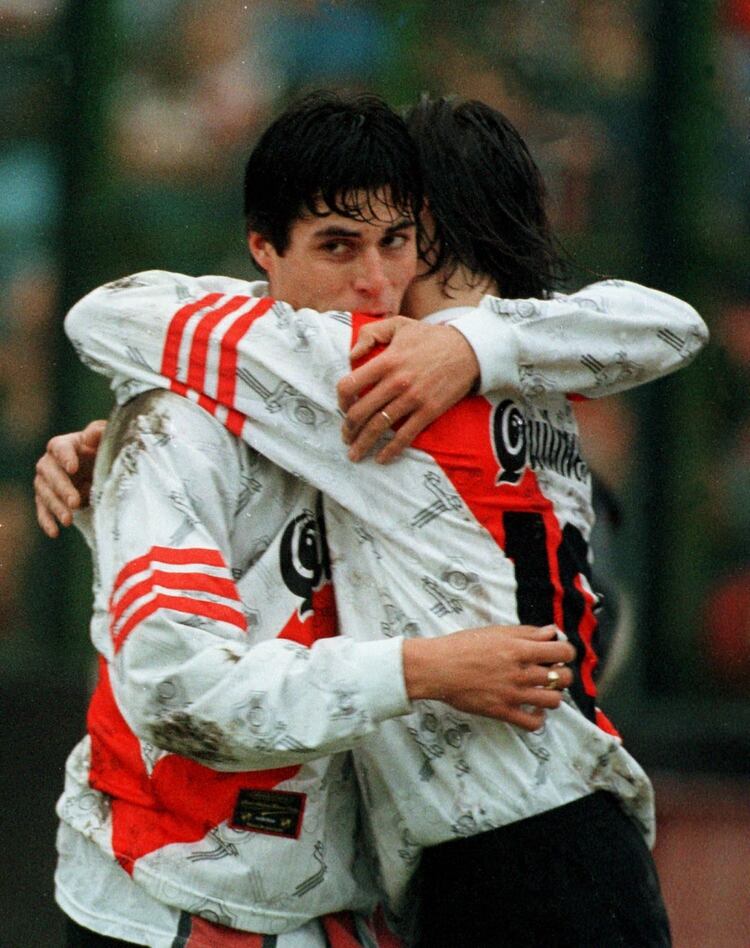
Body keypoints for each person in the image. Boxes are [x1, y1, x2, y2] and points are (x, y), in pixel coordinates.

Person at [42, 94, 708, 945]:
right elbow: (672, 322)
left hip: (490, 856)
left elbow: (108, 314)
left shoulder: (365, 374)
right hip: (202, 892)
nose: (376, 282)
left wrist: (456, 345)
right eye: (340, 244)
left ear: (431, 236)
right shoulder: (544, 373)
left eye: (397, 242)